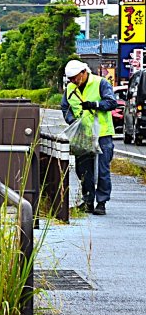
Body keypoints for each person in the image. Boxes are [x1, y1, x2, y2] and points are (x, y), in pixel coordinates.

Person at [61, 59, 117, 215]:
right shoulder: (70, 88)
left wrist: (94, 105)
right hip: (83, 134)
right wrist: (72, 121)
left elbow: (111, 103)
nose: (72, 81)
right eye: (70, 79)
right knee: (83, 169)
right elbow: (65, 107)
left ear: (84, 72)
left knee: (102, 170)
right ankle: (87, 201)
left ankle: (101, 203)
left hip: (102, 133)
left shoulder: (101, 83)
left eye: (75, 78)